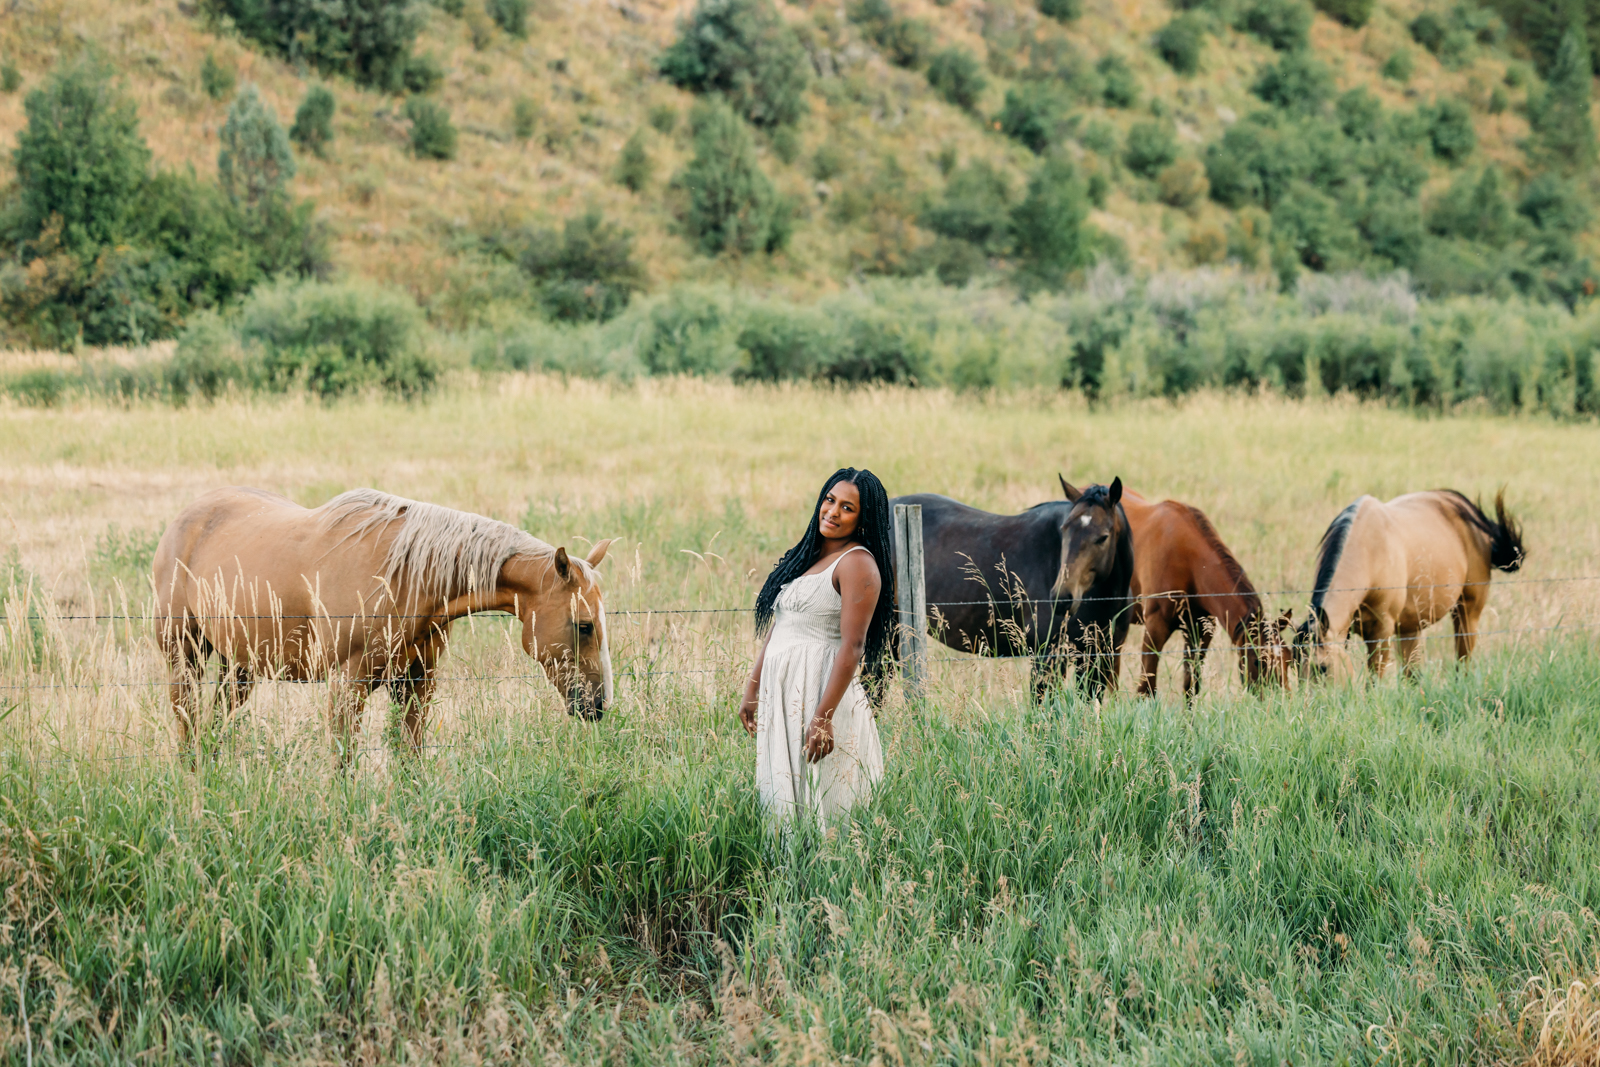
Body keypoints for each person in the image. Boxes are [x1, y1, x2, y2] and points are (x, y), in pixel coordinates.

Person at [740, 468, 894, 824]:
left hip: (821, 694)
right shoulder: (808, 558)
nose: (833, 512)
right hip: (785, 694)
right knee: (784, 802)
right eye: (829, 500)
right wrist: (753, 689)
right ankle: (788, 876)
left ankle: (838, 877)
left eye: (847, 507)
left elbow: (853, 647)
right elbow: (781, 626)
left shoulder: (857, 563)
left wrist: (823, 717)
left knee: (827, 808)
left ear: (863, 518)